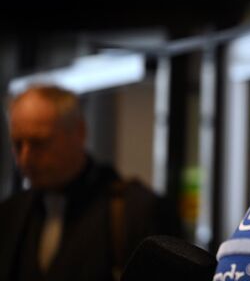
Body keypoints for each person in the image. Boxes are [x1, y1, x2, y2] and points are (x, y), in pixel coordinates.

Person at [0, 85, 179, 281]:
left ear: (79, 133)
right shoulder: (10, 214)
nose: (24, 159)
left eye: (39, 143)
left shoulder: (138, 212)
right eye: (18, 144)